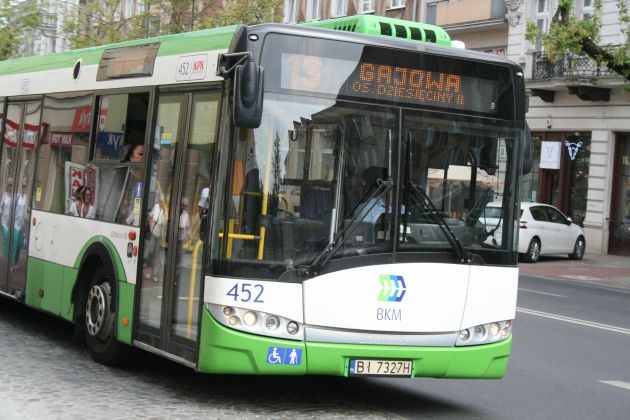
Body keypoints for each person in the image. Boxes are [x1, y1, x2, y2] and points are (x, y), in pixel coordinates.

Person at [144, 199, 166, 282]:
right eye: (160, 201)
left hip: (159, 235)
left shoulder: (166, 211)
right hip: (152, 233)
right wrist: (151, 225)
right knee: (149, 253)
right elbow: (150, 216)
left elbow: (165, 224)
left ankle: (155, 273)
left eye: (163, 201)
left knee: (157, 254)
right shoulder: (156, 207)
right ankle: (148, 271)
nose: (161, 203)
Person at [11, 180, 28, 269]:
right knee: (15, 242)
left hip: (22, 224)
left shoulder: (27, 197)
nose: (23, 188)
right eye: (22, 186)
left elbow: (32, 208)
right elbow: (12, 208)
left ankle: (16, 261)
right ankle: (12, 262)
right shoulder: (17, 196)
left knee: (18, 244)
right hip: (15, 224)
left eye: (25, 186)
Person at [1, 178, 13, 260]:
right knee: (5, 238)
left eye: (11, 185)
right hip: (4, 221)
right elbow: (1, 206)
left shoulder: (15, 195)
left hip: (11, 221)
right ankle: (5, 255)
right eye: (9, 185)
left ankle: (8, 255)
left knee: (10, 239)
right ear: (7, 186)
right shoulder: (4, 195)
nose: (10, 186)